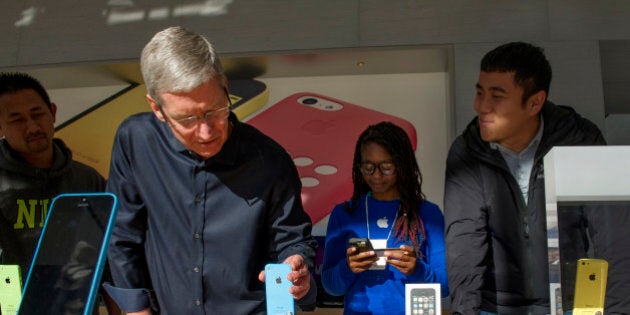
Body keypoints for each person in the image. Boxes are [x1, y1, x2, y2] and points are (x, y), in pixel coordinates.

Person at [104, 26, 317, 315]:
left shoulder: (270, 160)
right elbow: (122, 234)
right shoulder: (136, 141)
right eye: (187, 118)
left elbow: (292, 240)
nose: (205, 132)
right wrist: (136, 309)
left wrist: (297, 268)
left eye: (215, 110)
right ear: (157, 108)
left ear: (225, 87)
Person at [443, 41, 607, 314]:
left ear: (534, 103)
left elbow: (611, 232)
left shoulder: (580, 140)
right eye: (480, 93)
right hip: (494, 307)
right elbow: (464, 241)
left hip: (569, 303)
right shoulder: (467, 152)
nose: (481, 106)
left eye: (496, 96)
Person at [0, 72, 120, 314]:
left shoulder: (88, 180)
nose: (32, 127)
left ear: (52, 112)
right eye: (17, 120)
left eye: (37, 114)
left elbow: (109, 263)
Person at [321, 121, 449, 315]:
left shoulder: (428, 214)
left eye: (386, 167)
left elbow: (447, 285)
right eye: (369, 167)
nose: (377, 175)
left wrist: (417, 270)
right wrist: (347, 268)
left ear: (401, 165)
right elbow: (330, 286)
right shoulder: (344, 214)